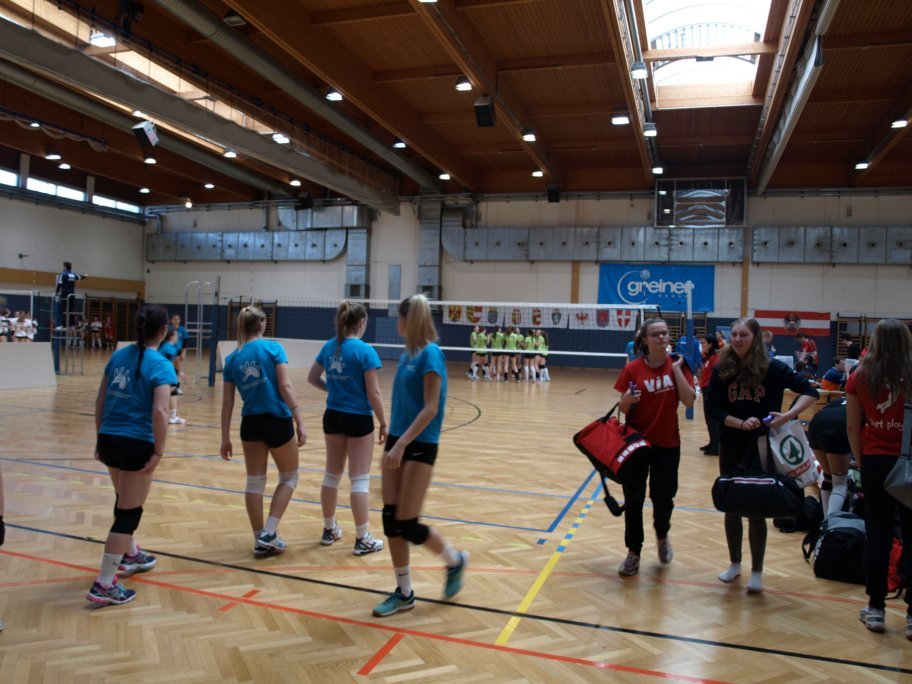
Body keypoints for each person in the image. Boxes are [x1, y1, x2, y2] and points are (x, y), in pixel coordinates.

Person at [705, 318, 818, 594]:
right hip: (731, 444)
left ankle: (757, 571)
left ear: (755, 338)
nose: (737, 339)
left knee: (756, 507)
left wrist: (786, 417)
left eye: (743, 334)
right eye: (734, 334)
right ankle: (734, 563)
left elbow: (810, 391)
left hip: (763, 446)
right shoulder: (722, 368)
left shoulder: (773, 368)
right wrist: (738, 422)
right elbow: (712, 408)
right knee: (731, 504)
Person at [372, 294, 468, 617]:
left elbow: (430, 408)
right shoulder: (406, 356)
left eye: (399, 318)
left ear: (408, 320)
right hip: (397, 441)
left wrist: (402, 444)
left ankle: (454, 561)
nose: (396, 324)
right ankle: (404, 592)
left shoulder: (431, 354)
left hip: (420, 443)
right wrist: (392, 439)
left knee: (408, 524)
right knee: (391, 520)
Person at [87, 304, 176, 605]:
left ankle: (131, 553)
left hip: (109, 438)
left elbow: (100, 401)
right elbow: (160, 412)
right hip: (135, 442)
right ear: (163, 330)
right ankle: (104, 583)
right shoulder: (160, 363)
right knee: (129, 512)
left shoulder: (118, 356)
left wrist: (100, 438)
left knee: (123, 498)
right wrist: (159, 451)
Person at [221, 306, 306, 558]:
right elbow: (285, 386)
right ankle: (269, 532)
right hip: (277, 421)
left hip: (250, 424)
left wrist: (224, 437)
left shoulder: (232, 359)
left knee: (255, 482)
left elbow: (227, 402)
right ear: (260, 324)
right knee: (289, 477)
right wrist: (299, 419)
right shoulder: (272, 348)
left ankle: (259, 538)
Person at [845, 318, 912, 636]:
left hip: (875, 462)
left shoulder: (860, 376)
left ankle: (875, 609)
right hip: (909, 463)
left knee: (878, 535)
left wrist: (862, 462)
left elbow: (852, 426)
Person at [614, 318, 695, 576]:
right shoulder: (633, 368)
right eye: (655, 334)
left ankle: (662, 535)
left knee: (663, 498)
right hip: (637, 445)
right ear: (645, 340)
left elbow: (689, 401)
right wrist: (627, 399)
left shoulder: (679, 364)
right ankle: (633, 552)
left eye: (665, 333)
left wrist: (677, 370)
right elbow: (622, 407)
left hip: (667, 443)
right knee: (633, 499)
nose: (662, 337)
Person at [307, 300, 387, 555]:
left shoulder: (329, 346)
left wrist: (334, 390)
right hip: (358, 417)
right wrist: (384, 422)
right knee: (359, 479)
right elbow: (374, 393)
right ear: (361, 322)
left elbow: (312, 377)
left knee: (332, 475)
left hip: (333, 415)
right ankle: (362, 538)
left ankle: (329, 529)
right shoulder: (365, 351)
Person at [807, 396, 850, 518]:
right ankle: (830, 524)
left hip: (815, 425)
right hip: (837, 428)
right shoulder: (864, 402)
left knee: (828, 477)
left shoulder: (840, 399)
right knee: (840, 483)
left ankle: (825, 522)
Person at [158, 329, 186, 424]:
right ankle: (173, 416)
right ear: (171, 337)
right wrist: (179, 372)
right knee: (173, 390)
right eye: (176, 335)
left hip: (163, 371)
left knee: (172, 390)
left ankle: (173, 415)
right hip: (162, 371)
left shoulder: (168, 346)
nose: (177, 336)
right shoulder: (168, 347)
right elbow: (173, 361)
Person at [699, 334, 721, 455]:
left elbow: (716, 376)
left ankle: (717, 446)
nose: (701, 345)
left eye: (703, 343)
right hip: (705, 389)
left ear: (710, 344)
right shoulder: (707, 357)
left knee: (712, 419)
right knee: (708, 418)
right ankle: (712, 442)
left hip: (710, 390)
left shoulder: (715, 358)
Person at [55, 261, 87, 329]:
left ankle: (63, 325)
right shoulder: (73, 274)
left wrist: (56, 293)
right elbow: (80, 277)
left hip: (65, 295)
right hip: (72, 295)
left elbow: (59, 284)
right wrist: (85, 275)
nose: (63, 268)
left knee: (64, 310)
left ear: (65, 267)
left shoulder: (63, 274)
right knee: (71, 310)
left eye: (63, 267)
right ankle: (72, 325)